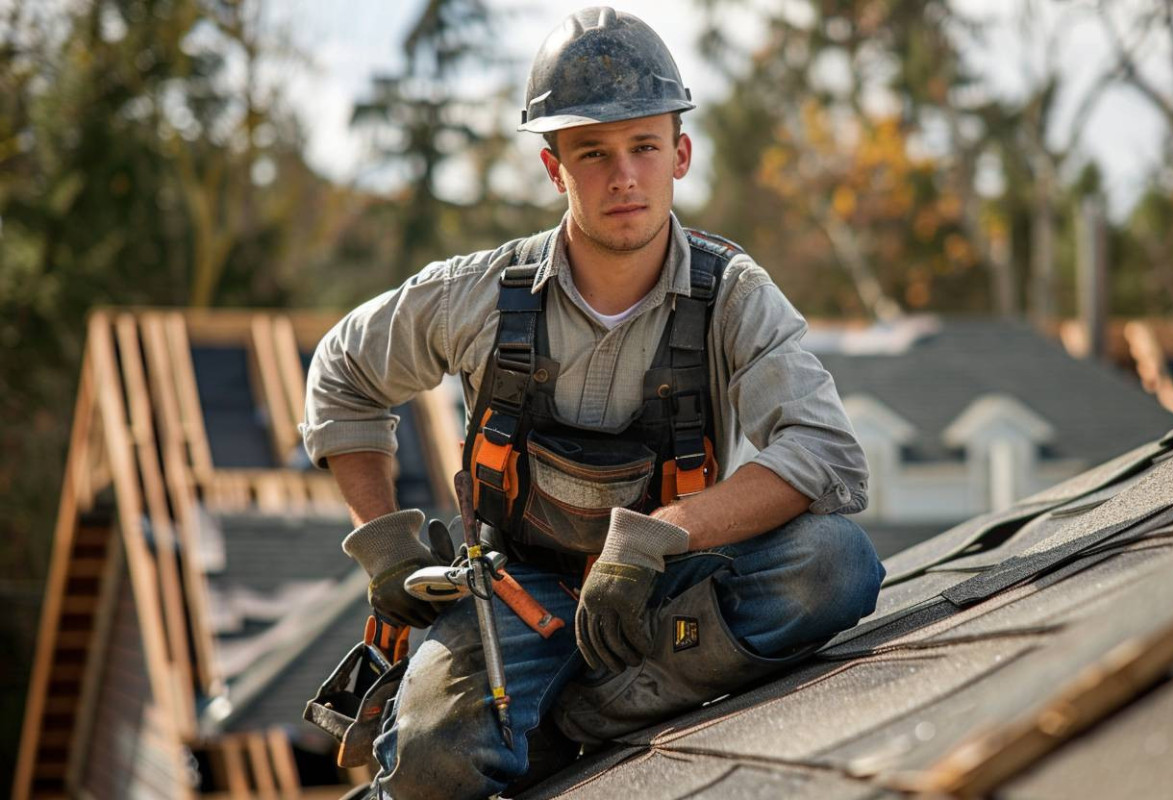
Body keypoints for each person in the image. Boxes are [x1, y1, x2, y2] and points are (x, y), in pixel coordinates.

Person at [301, 7, 884, 798]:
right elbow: (342, 370)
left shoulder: (734, 297)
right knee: (432, 765)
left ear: (680, 153)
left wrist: (659, 538)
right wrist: (382, 543)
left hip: (662, 588)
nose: (624, 178)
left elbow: (823, 455)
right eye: (593, 153)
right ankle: (515, 718)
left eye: (644, 147)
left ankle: (572, 722)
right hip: (515, 594)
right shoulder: (476, 296)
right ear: (554, 170)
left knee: (835, 564)